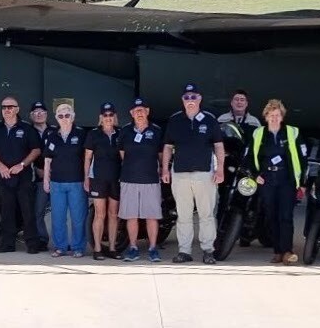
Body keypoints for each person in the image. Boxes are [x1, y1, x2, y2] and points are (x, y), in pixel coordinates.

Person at [164, 83, 226, 264]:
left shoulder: (209, 119)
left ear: (199, 99)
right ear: (182, 100)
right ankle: (184, 251)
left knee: (206, 214)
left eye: (193, 97)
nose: (190, 100)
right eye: (186, 97)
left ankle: (208, 250)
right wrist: (165, 169)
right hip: (180, 174)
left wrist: (220, 169)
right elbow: (168, 147)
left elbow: (218, 146)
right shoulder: (175, 120)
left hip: (204, 174)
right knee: (183, 215)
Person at [253, 99, 308, 264]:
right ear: (266, 117)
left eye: (277, 115)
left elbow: (303, 159)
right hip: (268, 181)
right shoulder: (259, 134)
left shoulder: (293, 132)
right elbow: (250, 157)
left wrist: (303, 183)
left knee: (285, 216)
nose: (274, 118)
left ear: (282, 117)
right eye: (271, 115)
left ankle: (287, 251)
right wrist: (255, 175)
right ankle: (277, 251)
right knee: (271, 216)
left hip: (286, 181)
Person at [0, 97, 42, 254]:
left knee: (27, 211)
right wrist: (0, 165)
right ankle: (7, 244)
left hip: (23, 176)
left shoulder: (27, 128)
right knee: (6, 210)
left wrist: (22, 165)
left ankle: (32, 243)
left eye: (10, 107)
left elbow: (36, 150)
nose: (7, 109)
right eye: (4, 107)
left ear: (17, 109)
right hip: (3, 176)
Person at [119, 98, 164, 263]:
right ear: (131, 113)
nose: (139, 113)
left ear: (148, 111)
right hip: (129, 179)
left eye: (142, 110)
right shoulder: (125, 131)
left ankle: (153, 248)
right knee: (131, 216)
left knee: (151, 216)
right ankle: (133, 247)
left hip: (151, 179)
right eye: (136, 110)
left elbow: (161, 155)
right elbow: (122, 155)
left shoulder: (157, 131)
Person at [42, 103, 88, 258]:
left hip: (77, 183)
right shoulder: (52, 135)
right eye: (60, 115)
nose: (64, 118)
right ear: (56, 118)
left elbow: (87, 158)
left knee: (78, 217)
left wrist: (87, 179)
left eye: (67, 115)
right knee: (58, 217)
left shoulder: (81, 134)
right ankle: (60, 247)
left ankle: (78, 247)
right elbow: (47, 160)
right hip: (56, 183)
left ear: (73, 116)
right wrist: (46, 180)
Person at [84, 103, 124, 260]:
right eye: (105, 115)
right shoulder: (93, 134)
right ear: (101, 117)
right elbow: (87, 158)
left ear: (114, 117)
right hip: (98, 179)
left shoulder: (120, 133)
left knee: (113, 214)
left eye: (111, 115)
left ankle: (113, 248)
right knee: (99, 214)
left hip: (116, 179)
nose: (108, 118)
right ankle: (98, 249)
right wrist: (86, 177)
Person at [27, 101, 51, 251]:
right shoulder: (27, 132)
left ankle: (66, 243)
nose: (39, 114)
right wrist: (36, 169)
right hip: (38, 178)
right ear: (31, 116)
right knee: (38, 212)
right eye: (35, 112)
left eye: (42, 111)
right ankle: (42, 238)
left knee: (62, 213)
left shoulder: (56, 130)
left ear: (46, 114)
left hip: (57, 177)